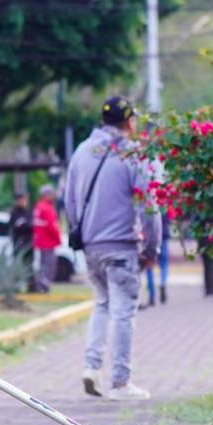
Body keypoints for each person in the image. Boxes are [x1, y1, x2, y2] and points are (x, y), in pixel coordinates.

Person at [64, 95, 161, 401]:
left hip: (90, 246)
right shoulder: (133, 153)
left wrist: (82, 231)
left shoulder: (82, 151)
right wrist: (152, 248)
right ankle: (120, 383)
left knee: (103, 304)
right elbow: (149, 204)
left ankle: (91, 368)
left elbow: (69, 201)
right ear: (129, 121)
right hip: (122, 246)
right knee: (123, 311)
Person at [31, 184, 61, 294]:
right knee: (49, 265)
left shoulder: (38, 206)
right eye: (52, 193)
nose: (54, 196)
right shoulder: (46, 207)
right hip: (47, 242)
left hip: (40, 242)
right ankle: (44, 285)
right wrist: (58, 238)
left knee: (42, 264)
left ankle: (41, 284)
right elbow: (51, 226)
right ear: (46, 194)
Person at [143, 217, 171, 308]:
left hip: (149, 237)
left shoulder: (145, 204)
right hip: (163, 235)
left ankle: (152, 295)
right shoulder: (165, 204)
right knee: (164, 265)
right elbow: (169, 218)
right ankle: (163, 284)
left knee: (149, 267)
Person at [9, 191, 34, 291]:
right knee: (18, 265)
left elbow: (31, 226)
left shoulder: (28, 212)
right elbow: (14, 227)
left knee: (29, 265)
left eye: (24, 200)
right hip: (18, 243)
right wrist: (24, 226)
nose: (23, 202)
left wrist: (25, 225)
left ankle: (31, 286)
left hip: (29, 243)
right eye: (21, 200)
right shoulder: (14, 213)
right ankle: (16, 287)